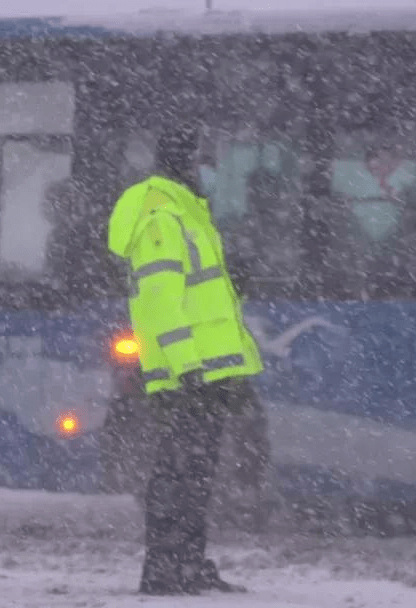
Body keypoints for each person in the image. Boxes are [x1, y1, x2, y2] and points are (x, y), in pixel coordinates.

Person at [106, 122, 264, 595]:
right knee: (177, 470)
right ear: (186, 163)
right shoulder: (163, 218)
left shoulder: (189, 215)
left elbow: (199, 296)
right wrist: (187, 366)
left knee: (197, 473)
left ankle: (188, 565)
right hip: (187, 375)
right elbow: (159, 301)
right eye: (206, 159)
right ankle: (163, 569)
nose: (212, 169)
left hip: (209, 372)